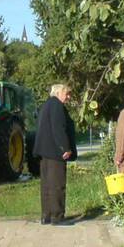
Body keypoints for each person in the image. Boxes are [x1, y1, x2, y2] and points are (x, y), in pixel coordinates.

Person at [33, 84, 77, 226]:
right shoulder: (57, 105)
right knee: (57, 184)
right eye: (67, 94)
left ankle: (46, 216)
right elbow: (58, 127)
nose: (68, 97)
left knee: (47, 185)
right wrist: (65, 147)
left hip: (44, 151)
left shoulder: (46, 105)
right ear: (58, 93)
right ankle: (57, 216)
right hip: (55, 151)